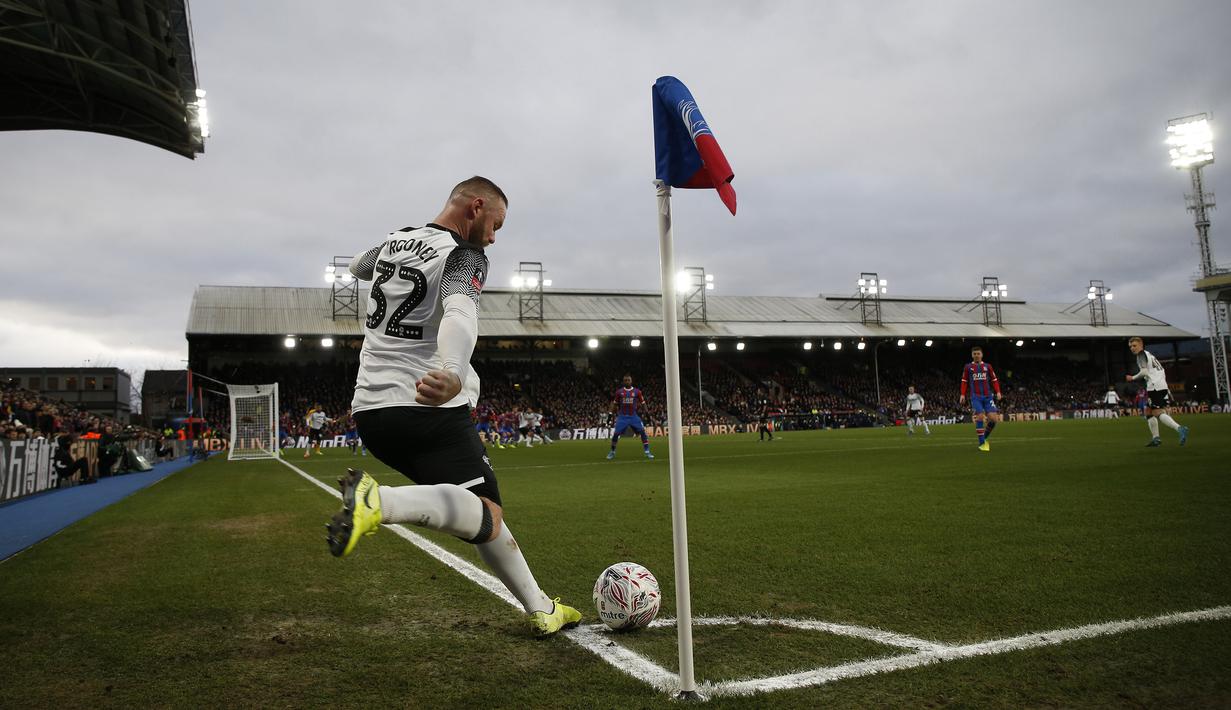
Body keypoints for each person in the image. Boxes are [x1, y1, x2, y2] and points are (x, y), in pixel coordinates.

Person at [325, 176, 581, 637]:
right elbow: (460, 312)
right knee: (485, 510)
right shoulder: (464, 255)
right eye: (495, 223)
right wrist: (453, 371)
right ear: (476, 206)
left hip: (370, 411)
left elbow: (362, 268)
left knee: (482, 509)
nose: (494, 236)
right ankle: (377, 501)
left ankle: (541, 607)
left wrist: (397, 258)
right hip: (424, 403)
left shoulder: (394, 240)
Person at [1125, 337, 1189, 447]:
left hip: (1155, 387)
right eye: (1130, 346)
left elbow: (1144, 372)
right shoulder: (1149, 354)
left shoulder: (1141, 355)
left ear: (1141, 345)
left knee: (1157, 412)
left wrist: (1132, 378)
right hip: (1160, 385)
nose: (1132, 348)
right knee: (1148, 412)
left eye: (1134, 345)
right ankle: (1156, 439)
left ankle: (1180, 428)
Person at [959, 346, 1001, 452]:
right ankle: (982, 444)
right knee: (980, 417)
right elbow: (964, 381)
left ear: (982, 355)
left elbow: (994, 380)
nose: (976, 355)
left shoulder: (988, 366)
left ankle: (984, 438)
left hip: (988, 396)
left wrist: (998, 391)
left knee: (994, 419)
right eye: (974, 354)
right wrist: (962, 394)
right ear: (972, 355)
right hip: (976, 397)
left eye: (978, 354)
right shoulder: (968, 367)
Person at [607, 374, 654, 460]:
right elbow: (614, 404)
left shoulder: (637, 392)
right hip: (622, 417)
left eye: (628, 380)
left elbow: (643, 403)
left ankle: (647, 451)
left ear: (631, 381)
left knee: (642, 432)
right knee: (616, 433)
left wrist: (647, 414)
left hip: (633, 417)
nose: (627, 381)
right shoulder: (619, 392)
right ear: (623, 381)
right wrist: (610, 415)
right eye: (625, 380)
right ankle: (612, 452)